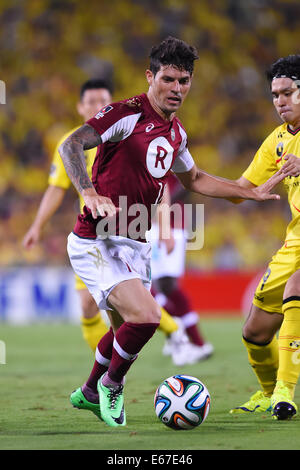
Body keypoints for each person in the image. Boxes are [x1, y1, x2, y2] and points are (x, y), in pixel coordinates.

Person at [58, 36, 286, 428]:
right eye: (169, 79)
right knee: (146, 318)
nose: (177, 89)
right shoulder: (125, 113)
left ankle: (91, 391)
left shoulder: (177, 132)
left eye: (184, 81)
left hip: (134, 243)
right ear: (150, 76)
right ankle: (113, 384)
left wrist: (248, 191)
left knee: (121, 331)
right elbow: (71, 144)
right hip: (97, 240)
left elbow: (194, 177)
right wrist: (89, 192)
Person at [22, 78, 186, 359]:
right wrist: (37, 226)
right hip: (92, 235)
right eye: (91, 102)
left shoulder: (127, 132)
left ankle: (172, 333)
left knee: (129, 304)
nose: (98, 106)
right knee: (89, 306)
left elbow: (158, 183)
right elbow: (55, 189)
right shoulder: (73, 143)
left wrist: (165, 227)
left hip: (128, 232)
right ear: (80, 106)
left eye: (103, 101)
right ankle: (105, 371)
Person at [229, 55, 300, 420]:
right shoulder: (276, 141)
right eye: (274, 95)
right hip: (295, 243)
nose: (280, 101)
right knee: (255, 332)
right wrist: (188, 175)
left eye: (287, 92)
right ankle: (268, 390)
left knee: (296, 289)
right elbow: (243, 187)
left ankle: (286, 392)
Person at [150, 175, 214, 364]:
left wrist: (159, 205)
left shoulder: (171, 149)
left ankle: (192, 340)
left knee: (164, 285)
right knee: (157, 285)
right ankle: (177, 332)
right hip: (152, 225)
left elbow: (189, 183)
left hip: (170, 226)